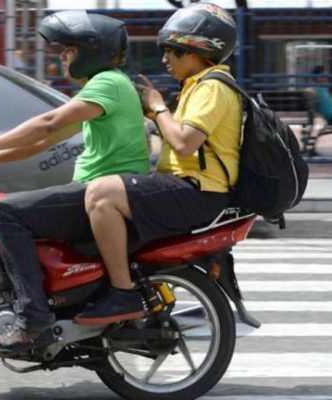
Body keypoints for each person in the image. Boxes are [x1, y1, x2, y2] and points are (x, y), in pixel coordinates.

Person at [0, 10, 149, 352]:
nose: (62, 57)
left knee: (5, 213)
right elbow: (43, 142)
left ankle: (33, 323)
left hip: (101, 193)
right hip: (100, 192)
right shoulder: (104, 90)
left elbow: (48, 123)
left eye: (69, 50)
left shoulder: (108, 83)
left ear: (93, 50)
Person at [78, 3, 242, 324]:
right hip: (189, 189)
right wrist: (151, 111)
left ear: (196, 51)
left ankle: (122, 294)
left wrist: (157, 106)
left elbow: (183, 143)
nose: (165, 59)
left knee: (101, 194)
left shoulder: (212, 87)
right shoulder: (198, 86)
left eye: (172, 51)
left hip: (196, 192)